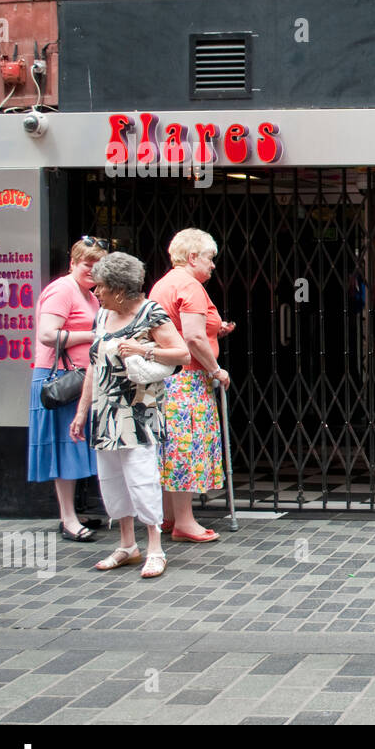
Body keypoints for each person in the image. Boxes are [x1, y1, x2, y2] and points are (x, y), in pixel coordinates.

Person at [70, 252, 191, 578]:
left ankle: (155, 546)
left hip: (138, 413)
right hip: (106, 412)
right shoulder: (103, 316)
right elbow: (94, 367)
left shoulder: (151, 314)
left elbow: (182, 353)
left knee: (141, 478)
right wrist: (83, 411)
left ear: (119, 289)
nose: (96, 293)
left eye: (101, 287)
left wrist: (142, 349)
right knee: (111, 481)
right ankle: (127, 545)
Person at [148, 229, 236, 542]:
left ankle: (170, 516)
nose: (213, 265)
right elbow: (193, 337)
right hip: (187, 380)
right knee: (185, 448)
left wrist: (215, 332)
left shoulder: (164, 284)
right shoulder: (191, 286)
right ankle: (185, 522)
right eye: (210, 258)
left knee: (171, 447)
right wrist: (216, 369)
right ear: (193, 257)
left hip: (166, 379)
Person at [29, 237, 108, 542]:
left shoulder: (86, 293)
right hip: (61, 380)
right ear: (73, 262)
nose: (93, 270)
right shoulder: (62, 290)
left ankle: (72, 512)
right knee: (65, 448)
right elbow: (48, 335)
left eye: (98, 265)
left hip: (75, 378)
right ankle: (68, 519)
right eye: (88, 264)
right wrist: (91, 334)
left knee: (72, 447)